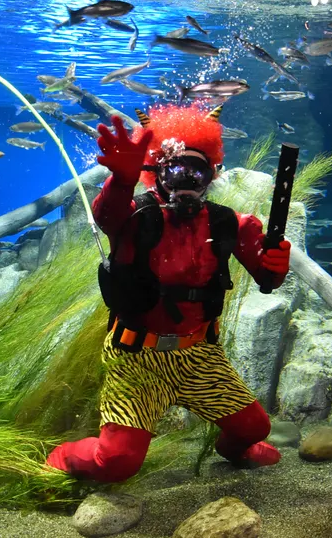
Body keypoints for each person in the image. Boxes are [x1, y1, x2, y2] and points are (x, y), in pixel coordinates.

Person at [46, 106, 292, 482]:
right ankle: (62, 458)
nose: (187, 182)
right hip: (136, 360)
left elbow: (267, 278)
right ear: (156, 172)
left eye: (198, 171)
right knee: (115, 464)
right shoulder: (136, 218)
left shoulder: (231, 223)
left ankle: (234, 452)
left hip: (200, 356)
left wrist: (276, 265)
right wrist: (121, 181)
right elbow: (108, 215)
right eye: (176, 170)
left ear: (213, 175)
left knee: (253, 428)